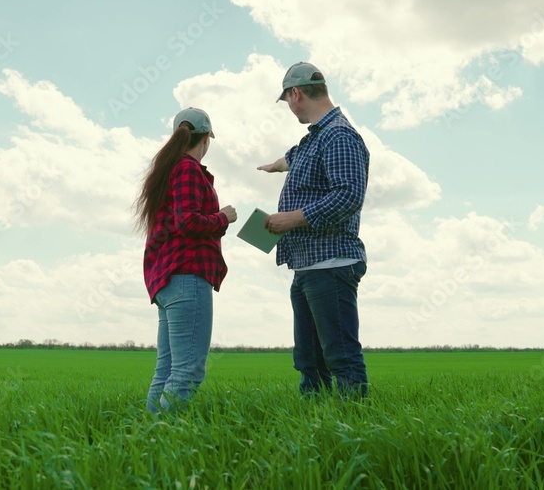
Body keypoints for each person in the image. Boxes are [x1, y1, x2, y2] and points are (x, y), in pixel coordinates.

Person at [257, 62, 370, 398]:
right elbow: (297, 155)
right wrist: (277, 165)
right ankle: (316, 431)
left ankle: (355, 429)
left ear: (296, 94)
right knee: (308, 361)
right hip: (307, 266)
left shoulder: (339, 135)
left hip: (331, 264)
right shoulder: (316, 138)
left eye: (289, 101)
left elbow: (348, 194)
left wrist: (291, 219)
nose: (290, 110)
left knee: (341, 357)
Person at [136, 107, 237, 413]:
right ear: (206, 138)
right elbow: (189, 223)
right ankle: (164, 442)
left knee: (166, 370)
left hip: (168, 279)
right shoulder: (188, 169)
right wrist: (223, 217)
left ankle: (148, 438)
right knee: (188, 371)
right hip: (187, 277)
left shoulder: (169, 170)